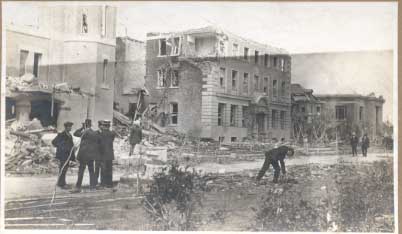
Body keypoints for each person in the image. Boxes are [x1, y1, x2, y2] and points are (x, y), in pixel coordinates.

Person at [71, 119, 101, 192]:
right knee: (91, 171)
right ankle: (92, 187)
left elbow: (75, 133)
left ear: (85, 125)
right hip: (91, 155)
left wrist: (82, 127)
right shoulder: (94, 133)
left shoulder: (84, 133)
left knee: (81, 171)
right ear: (91, 125)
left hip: (83, 155)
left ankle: (78, 186)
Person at [51, 121, 75, 189]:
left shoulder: (70, 135)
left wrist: (72, 156)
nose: (70, 128)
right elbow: (54, 142)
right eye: (69, 127)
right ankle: (61, 184)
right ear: (66, 127)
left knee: (64, 169)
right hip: (63, 155)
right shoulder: (61, 134)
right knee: (63, 169)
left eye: (70, 126)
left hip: (68, 155)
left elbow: (71, 145)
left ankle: (61, 182)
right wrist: (61, 147)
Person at [98, 120, 117, 188]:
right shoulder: (112, 133)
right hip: (110, 154)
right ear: (109, 126)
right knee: (109, 169)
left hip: (103, 154)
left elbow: (99, 144)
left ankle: (103, 184)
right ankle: (109, 183)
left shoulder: (100, 134)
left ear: (104, 126)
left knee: (103, 170)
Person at [94, 120, 105, 187]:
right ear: (99, 126)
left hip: (103, 154)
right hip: (97, 154)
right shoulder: (95, 133)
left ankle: (102, 183)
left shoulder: (105, 133)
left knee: (103, 169)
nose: (103, 126)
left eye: (103, 125)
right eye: (101, 125)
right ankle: (95, 182)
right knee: (97, 169)